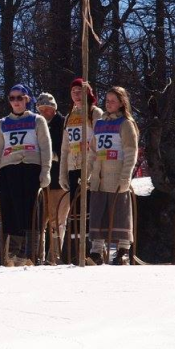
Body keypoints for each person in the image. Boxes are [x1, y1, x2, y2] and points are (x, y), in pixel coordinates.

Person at [0, 84, 51, 265]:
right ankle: (1, 255)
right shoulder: (2, 123)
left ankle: (31, 255)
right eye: (12, 98)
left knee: (30, 212)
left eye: (19, 97)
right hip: (8, 171)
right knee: (6, 211)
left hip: (31, 169)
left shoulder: (37, 120)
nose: (16, 101)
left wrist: (45, 170)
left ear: (27, 99)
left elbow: (45, 147)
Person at [86, 87, 139, 265]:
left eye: (113, 101)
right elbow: (93, 152)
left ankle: (123, 250)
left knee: (120, 213)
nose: (109, 104)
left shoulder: (126, 124)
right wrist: (87, 174)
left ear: (121, 103)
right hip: (99, 177)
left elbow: (131, 152)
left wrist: (126, 177)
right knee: (98, 212)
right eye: (107, 100)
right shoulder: (99, 123)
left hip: (116, 176)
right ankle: (96, 251)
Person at [59, 78, 103, 263]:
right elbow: (65, 147)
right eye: (73, 92)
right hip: (73, 166)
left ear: (88, 93)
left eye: (80, 91)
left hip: (90, 166)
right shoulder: (69, 116)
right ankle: (76, 252)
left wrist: (94, 168)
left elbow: (100, 141)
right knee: (76, 210)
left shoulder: (95, 113)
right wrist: (62, 173)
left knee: (91, 209)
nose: (76, 95)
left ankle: (95, 251)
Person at [36, 92, 66, 264]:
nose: (44, 112)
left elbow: (65, 151)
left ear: (53, 108)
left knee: (57, 220)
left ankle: (54, 256)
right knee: (40, 221)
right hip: (42, 181)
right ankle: (38, 256)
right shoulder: (38, 125)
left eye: (47, 109)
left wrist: (49, 156)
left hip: (58, 180)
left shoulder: (62, 124)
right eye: (41, 109)